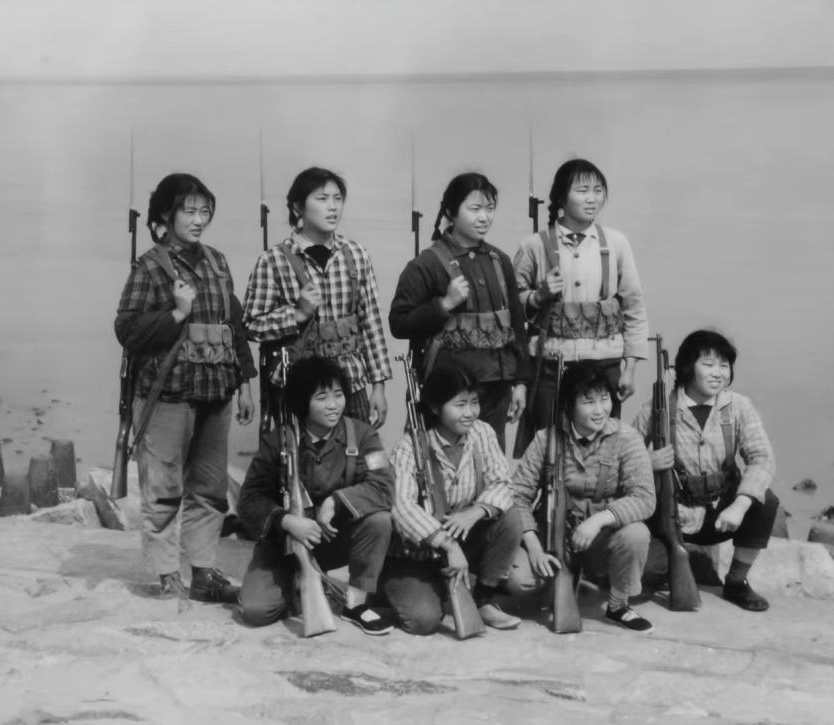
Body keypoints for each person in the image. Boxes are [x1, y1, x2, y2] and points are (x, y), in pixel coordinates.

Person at [114, 172, 256, 602]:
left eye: (204, 211)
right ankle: (166, 575)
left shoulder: (218, 262)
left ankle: (204, 571)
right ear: (166, 216)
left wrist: (246, 383)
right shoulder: (150, 267)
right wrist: (176, 315)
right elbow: (127, 329)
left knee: (210, 490)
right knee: (163, 490)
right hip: (166, 397)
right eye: (189, 211)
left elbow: (234, 326)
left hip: (216, 393)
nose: (198, 220)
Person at [236, 356, 395, 634]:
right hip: (285, 545)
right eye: (322, 397)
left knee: (379, 521)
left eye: (338, 395)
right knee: (256, 611)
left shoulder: (363, 435)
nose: (333, 405)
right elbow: (249, 500)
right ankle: (300, 583)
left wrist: (336, 501)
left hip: (335, 539)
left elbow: (384, 486)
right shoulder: (278, 441)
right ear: (302, 402)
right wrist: (287, 522)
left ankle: (355, 604)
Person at [512, 158, 648, 457]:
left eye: (598, 190)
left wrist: (631, 368)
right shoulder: (533, 246)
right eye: (582, 190)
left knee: (604, 450)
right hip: (550, 367)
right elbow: (512, 307)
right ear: (562, 196)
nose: (592, 198)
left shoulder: (616, 243)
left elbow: (633, 306)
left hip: (604, 366)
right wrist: (539, 295)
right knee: (548, 450)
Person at [634, 329, 778, 612]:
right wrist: (647, 464)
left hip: (722, 514)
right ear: (688, 367)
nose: (718, 373)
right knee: (646, 575)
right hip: (669, 516)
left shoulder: (738, 406)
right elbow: (623, 458)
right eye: (708, 365)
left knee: (766, 501)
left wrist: (740, 504)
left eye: (724, 366)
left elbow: (763, 459)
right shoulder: (657, 407)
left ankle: (736, 582)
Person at [508, 361, 656, 632]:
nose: (600, 410)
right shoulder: (546, 440)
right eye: (588, 402)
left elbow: (645, 497)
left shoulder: (626, 438)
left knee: (636, 535)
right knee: (519, 580)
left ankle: (617, 605)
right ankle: (560, 582)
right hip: (552, 540)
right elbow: (517, 495)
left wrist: (599, 520)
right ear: (568, 405)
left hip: (600, 541)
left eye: (604, 399)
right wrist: (534, 546)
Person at [388, 172, 530, 449]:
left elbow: (517, 325)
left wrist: (522, 382)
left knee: (490, 462)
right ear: (452, 212)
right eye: (474, 209)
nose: (484, 217)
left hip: (496, 388)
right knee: (442, 465)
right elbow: (398, 323)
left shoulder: (500, 261)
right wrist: (443, 305)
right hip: (445, 391)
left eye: (490, 209)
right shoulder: (426, 264)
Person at [243, 167, 392, 428]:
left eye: (337, 199)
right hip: (297, 385)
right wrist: (296, 315)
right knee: (298, 463)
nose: (332, 207)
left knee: (356, 459)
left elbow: (371, 323)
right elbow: (251, 325)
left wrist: (378, 386)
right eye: (322, 199)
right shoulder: (274, 261)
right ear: (298, 207)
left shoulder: (356, 255)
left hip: (350, 382)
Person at [383, 364, 523, 635]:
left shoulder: (482, 432)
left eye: (474, 403)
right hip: (417, 553)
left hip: (464, 540)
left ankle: (483, 598)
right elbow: (401, 507)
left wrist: (476, 512)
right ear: (435, 407)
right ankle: (402, 589)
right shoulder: (409, 446)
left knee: (510, 515)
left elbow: (503, 484)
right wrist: (447, 545)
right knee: (423, 621)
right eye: (460, 404)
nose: (469, 412)